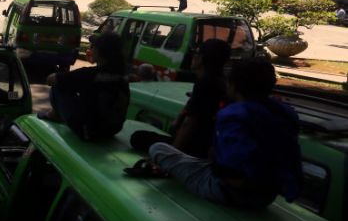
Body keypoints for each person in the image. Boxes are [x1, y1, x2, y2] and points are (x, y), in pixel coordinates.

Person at [129, 58, 302, 209]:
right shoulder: (285, 113)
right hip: (266, 197)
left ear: (234, 85)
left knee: (158, 148)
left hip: (230, 193)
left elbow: (229, 173)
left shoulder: (234, 115)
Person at [42, 32, 130, 142]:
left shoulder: (90, 74)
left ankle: (55, 115)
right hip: (112, 131)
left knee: (58, 87)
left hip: (86, 131)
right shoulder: (123, 75)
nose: (91, 49)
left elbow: (51, 79)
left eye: (93, 46)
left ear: (101, 52)